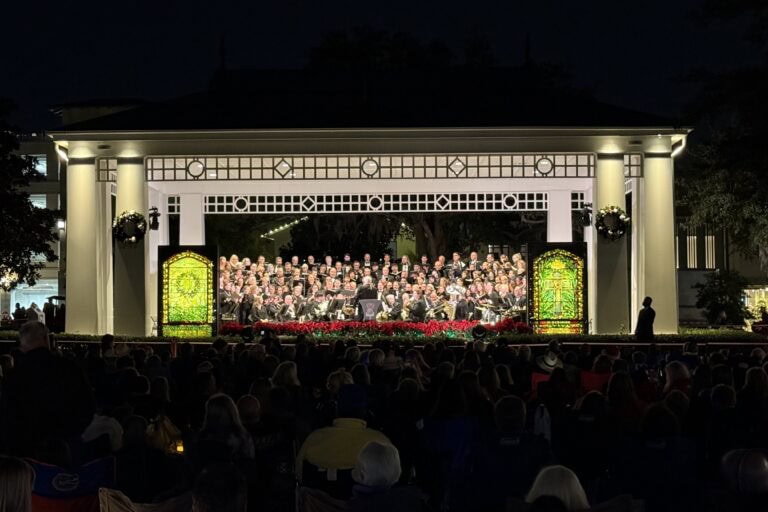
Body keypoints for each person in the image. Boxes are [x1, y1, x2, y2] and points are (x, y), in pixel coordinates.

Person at [0, 321, 95, 459]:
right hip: (66, 446)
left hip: (26, 452)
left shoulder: (16, 376)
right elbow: (87, 406)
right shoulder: (69, 369)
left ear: (23, 343)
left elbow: (8, 418)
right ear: (46, 339)